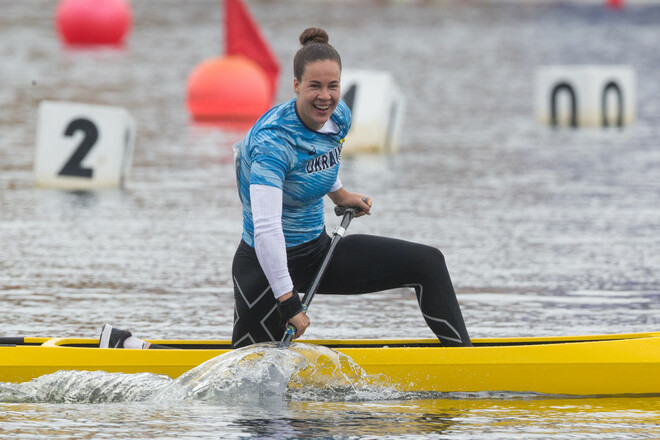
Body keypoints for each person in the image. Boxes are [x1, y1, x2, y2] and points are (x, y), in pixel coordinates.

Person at [98, 27, 471, 350]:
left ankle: (465, 361)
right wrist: (288, 301)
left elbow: (319, 161)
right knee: (243, 374)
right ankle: (128, 345)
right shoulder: (271, 144)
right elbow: (266, 228)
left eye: (332, 86)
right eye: (314, 86)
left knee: (428, 263)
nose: (325, 96)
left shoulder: (339, 116)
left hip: (318, 252)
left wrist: (340, 195)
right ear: (295, 86)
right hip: (265, 267)